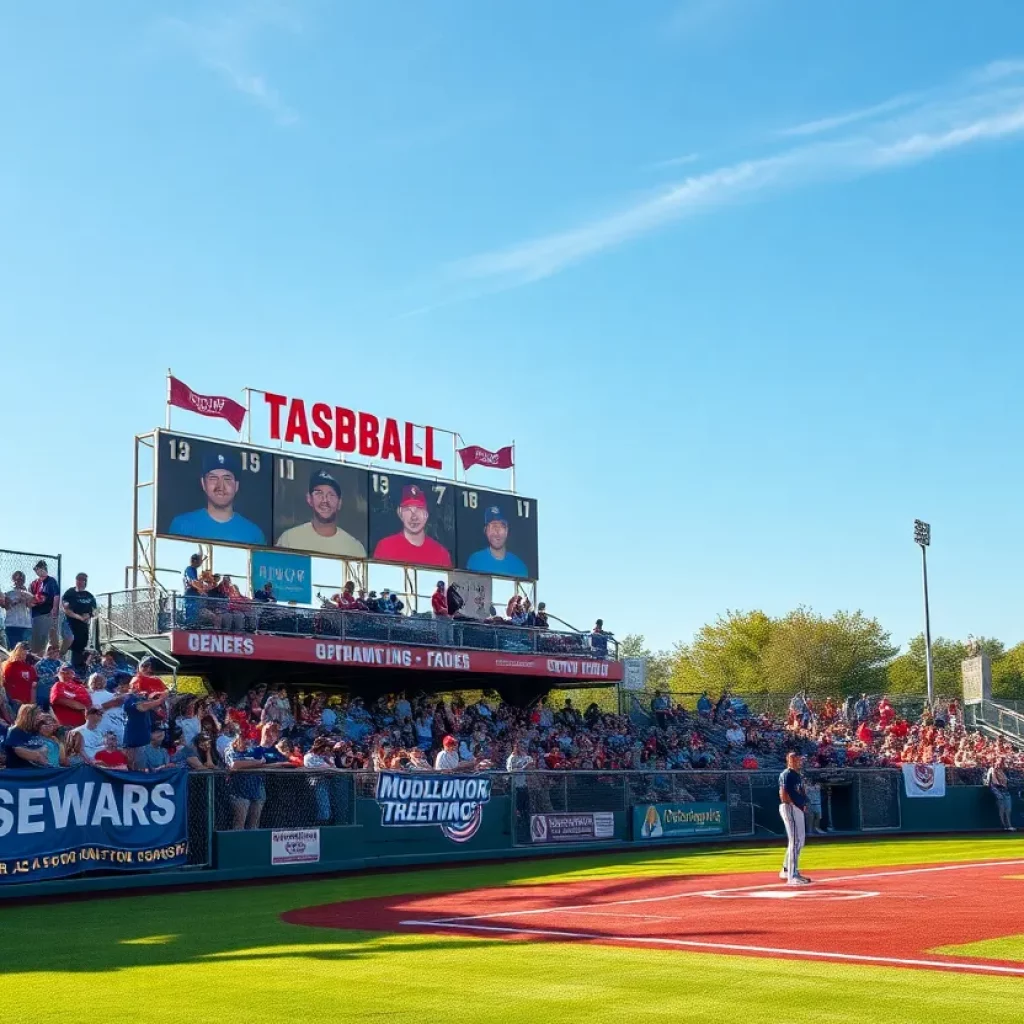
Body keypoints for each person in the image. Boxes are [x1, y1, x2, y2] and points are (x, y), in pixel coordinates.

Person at [168, 449, 266, 544]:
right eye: (213, 478)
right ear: (203, 483)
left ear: (236, 485)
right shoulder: (182, 525)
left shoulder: (253, 534)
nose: (220, 486)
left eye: (227, 479)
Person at [276, 468, 367, 557]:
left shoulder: (355, 549)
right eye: (319, 493)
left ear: (339, 503)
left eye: (331, 495)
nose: (325, 500)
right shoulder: (289, 540)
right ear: (309, 499)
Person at [372, 484, 452, 568]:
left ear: (426, 514)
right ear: (399, 513)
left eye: (419, 509)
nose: (414, 516)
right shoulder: (385, 547)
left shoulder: (441, 554)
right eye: (408, 510)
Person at [466, 506, 529, 577]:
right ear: (486, 530)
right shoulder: (475, 560)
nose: (497, 531)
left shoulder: (519, 567)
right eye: (493, 526)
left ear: (506, 531)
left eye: (502, 526)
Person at [779, 751, 811, 885]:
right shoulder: (787, 774)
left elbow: (800, 792)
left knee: (799, 841)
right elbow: (783, 792)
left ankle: (787, 869)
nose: (796, 761)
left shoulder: (797, 775)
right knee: (795, 841)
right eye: (793, 759)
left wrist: (803, 804)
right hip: (790, 807)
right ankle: (792, 876)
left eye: (797, 759)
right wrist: (790, 804)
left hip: (797, 808)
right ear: (788, 760)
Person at [62, 573, 97, 668]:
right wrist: (79, 617)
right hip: (70, 625)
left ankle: (78, 670)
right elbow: (66, 609)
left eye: (82, 580)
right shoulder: (70, 593)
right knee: (71, 644)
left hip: (83, 627)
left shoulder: (89, 596)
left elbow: (95, 611)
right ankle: (65, 665)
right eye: (78, 579)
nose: (80, 581)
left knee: (80, 648)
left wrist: (89, 615)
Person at [29, 560, 61, 655]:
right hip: (36, 615)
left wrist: (55, 608)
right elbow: (30, 597)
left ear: (44, 568)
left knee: (50, 639)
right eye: (36, 569)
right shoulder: (34, 583)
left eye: (39, 568)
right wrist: (31, 602)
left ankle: (53, 657)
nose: (37, 571)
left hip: (48, 614)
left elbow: (56, 595)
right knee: (37, 640)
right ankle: (36, 660)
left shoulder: (51, 581)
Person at [3, 703, 49, 768]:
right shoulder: (14, 731)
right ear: (27, 717)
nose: (38, 720)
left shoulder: (35, 730)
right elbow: (19, 750)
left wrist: (38, 753)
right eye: (36, 717)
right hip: (22, 773)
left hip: (38, 770)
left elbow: (45, 748)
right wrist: (37, 755)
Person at [49, 664, 92, 729]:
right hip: (68, 727)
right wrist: (83, 707)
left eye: (71, 673)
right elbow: (59, 699)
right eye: (65, 673)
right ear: (58, 675)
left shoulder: (80, 687)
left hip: (84, 726)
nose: (68, 675)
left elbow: (88, 702)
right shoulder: (58, 685)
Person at [2, 571, 35, 648]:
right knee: (14, 650)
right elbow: (6, 606)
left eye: (21, 579)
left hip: (25, 625)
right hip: (11, 625)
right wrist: (17, 601)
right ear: (13, 580)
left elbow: (32, 605)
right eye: (17, 578)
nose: (19, 581)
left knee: (26, 651)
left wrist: (26, 598)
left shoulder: (28, 593)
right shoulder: (8, 593)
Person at [2, 643, 37, 709]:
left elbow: (34, 685)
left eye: (26, 650)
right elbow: (7, 684)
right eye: (22, 650)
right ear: (17, 651)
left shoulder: (31, 668)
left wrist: (32, 702)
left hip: (28, 703)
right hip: (16, 702)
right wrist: (13, 699)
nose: (25, 652)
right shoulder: (11, 666)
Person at [985, 761, 1016, 832]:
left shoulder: (1002, 772)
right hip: (999, 791)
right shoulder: (992, 770)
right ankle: (1004, 826)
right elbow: (993, 782)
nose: (999, 765)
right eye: (998, 764)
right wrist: (999, 787)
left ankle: (1009, 825)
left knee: (1008, 810)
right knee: (1002, 809)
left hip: (1005, 791)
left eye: (1000, 764)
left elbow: (1006, 782)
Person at [432, 581, 453, 645]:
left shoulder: (444, 596)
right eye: (440, 586)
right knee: (442, 635)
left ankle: (450, 643)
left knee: (449, 634)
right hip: (441, 618)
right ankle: (443, 646)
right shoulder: (435, 596)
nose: (441, 588)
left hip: (447, 618)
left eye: (442, 586)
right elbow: (438, 609)